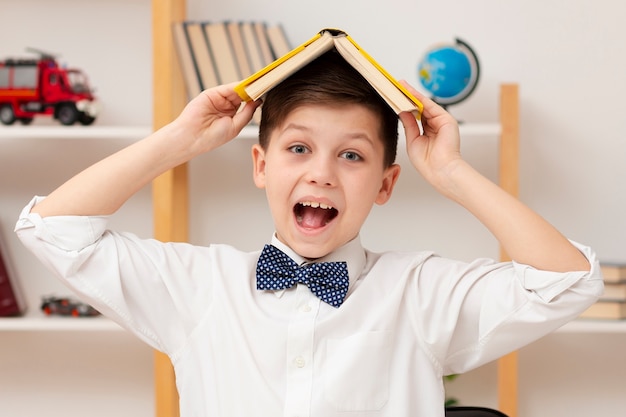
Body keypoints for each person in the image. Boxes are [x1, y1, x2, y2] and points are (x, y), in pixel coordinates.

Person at [15, 50, 602, 416]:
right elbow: (54, 229)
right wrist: (180, 141)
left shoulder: (420, 292)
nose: (321, 171)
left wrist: (450, 171)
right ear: (261, 166)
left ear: (385, 184)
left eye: (352, 156)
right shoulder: (198, 286)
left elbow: (567, 283)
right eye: (298, 148)